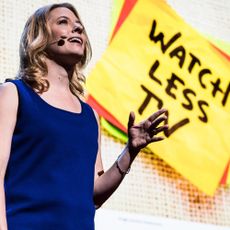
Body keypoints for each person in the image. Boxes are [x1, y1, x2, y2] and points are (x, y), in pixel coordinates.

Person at [0, 3, 168, 230]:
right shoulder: (14, 94)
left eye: (79, 26)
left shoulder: (90, 116)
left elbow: (94, 194)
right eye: (63, 22)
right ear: (38, 36)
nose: (77, 29)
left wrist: (130, 150)